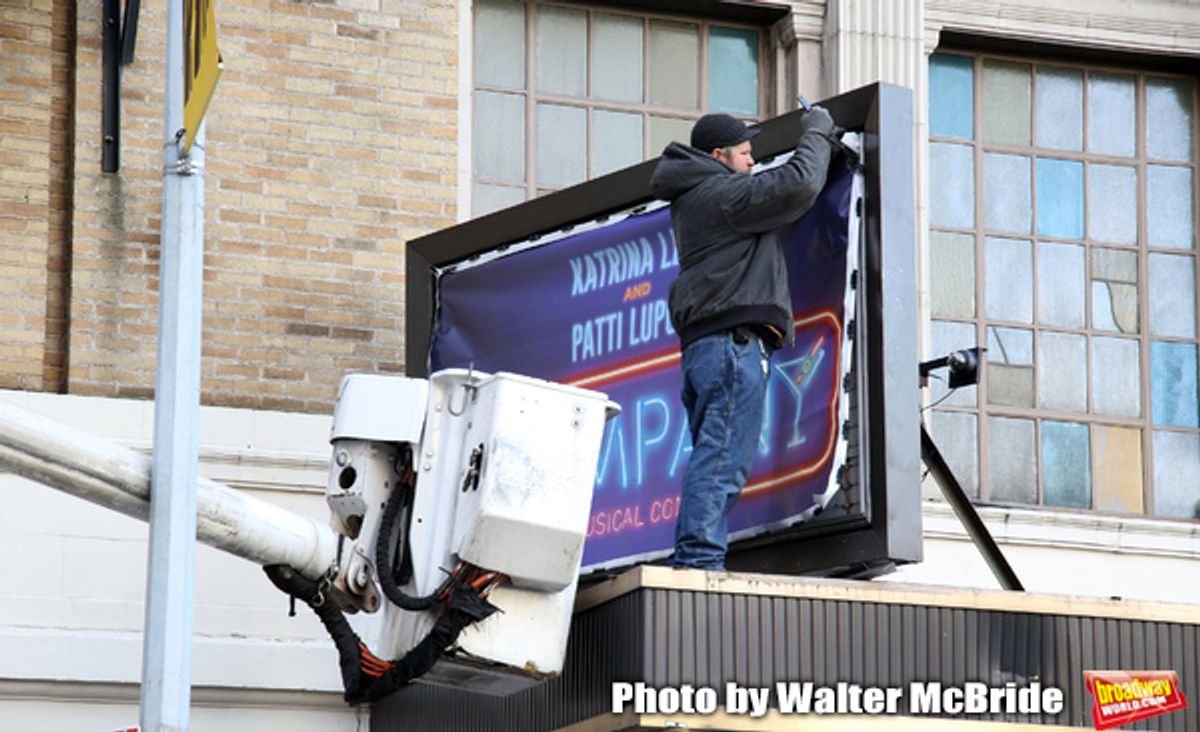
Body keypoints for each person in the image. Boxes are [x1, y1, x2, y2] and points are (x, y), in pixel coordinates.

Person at [649, 107, 839, 569]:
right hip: (733, 346)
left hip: (711, 348)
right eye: (746, 154)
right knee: (722, 462)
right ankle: (698, 564)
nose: (753, 162)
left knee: (714, 456)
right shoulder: (720, 193)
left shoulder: (696, 195)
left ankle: (695, 558)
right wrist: (817, 132)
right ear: (719, 155)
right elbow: (798, 185)